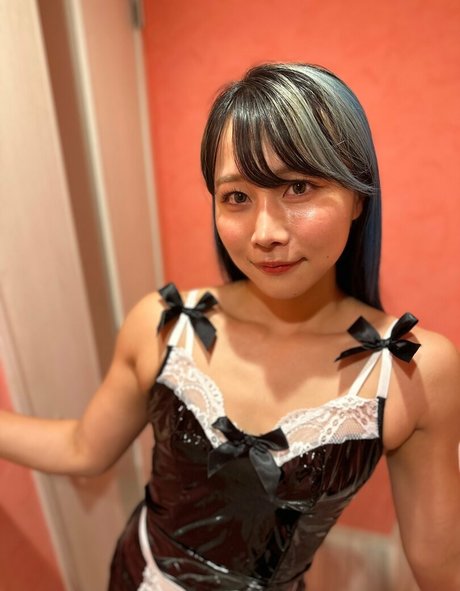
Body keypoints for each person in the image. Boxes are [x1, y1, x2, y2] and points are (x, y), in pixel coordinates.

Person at [1, 63, 459, 591]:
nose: (265, 233)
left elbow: (441, 567)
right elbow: (84, 448)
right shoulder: (163, 324)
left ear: (358, 195)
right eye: (237, 197)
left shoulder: (412, 371)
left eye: (298, 187)